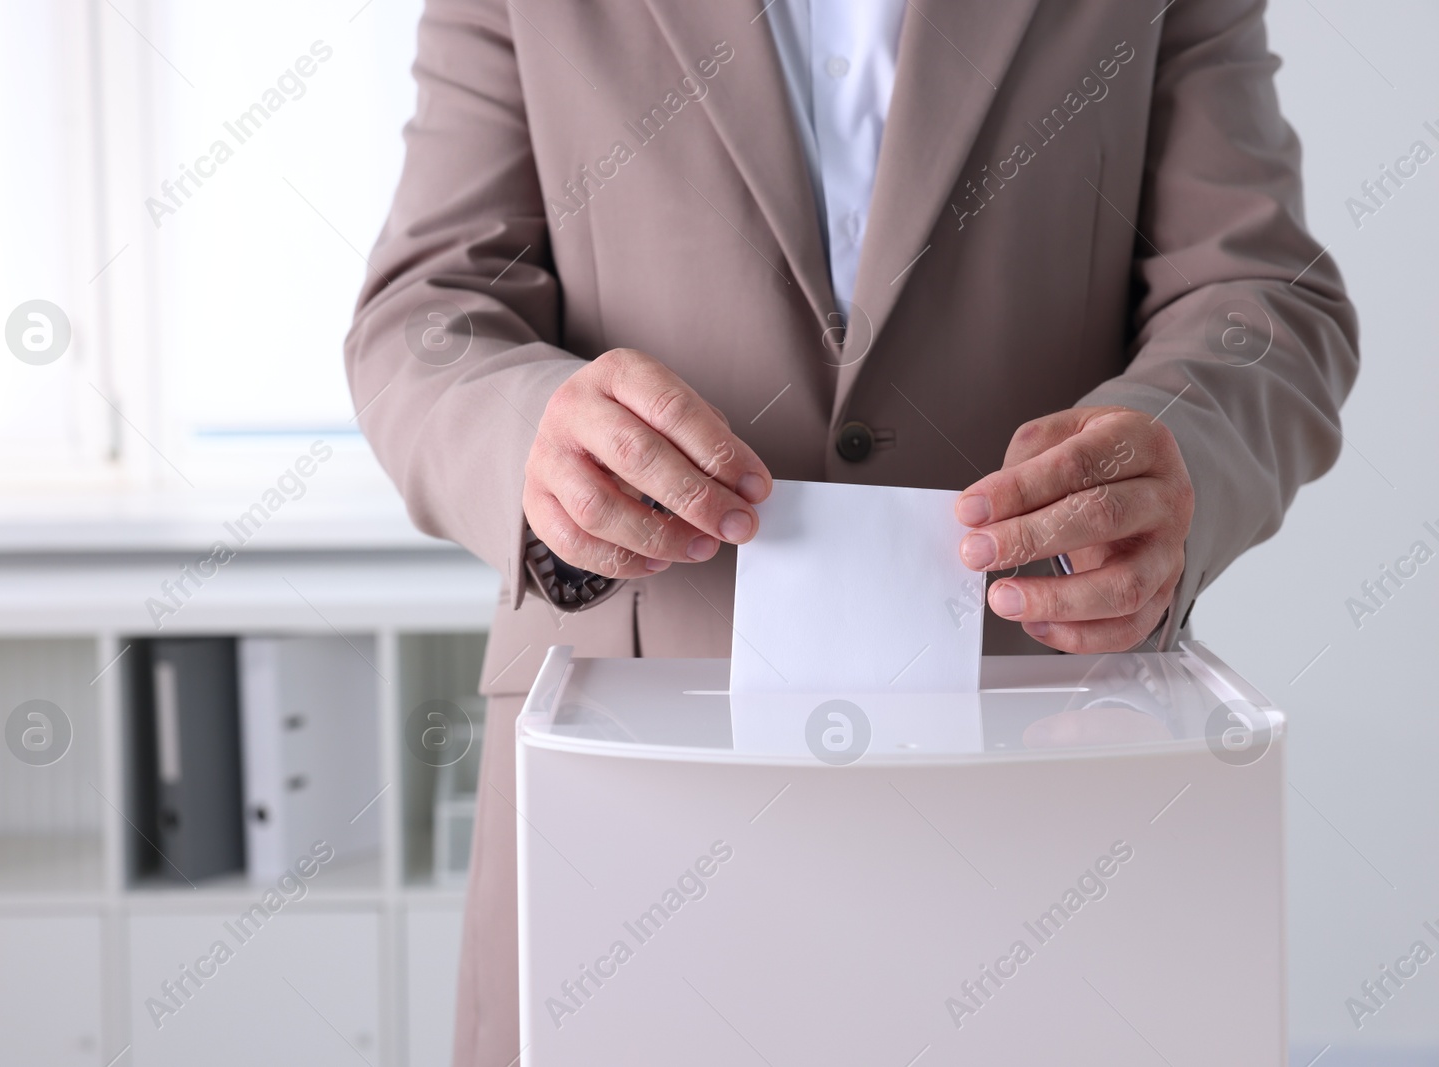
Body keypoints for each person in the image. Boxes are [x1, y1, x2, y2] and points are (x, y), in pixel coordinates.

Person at [345, 0, 1357, 1062]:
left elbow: (1261, 297)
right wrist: (526, 434)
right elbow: (426, 305)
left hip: (1044, 772)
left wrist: (1178, 446)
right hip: (623, 787)